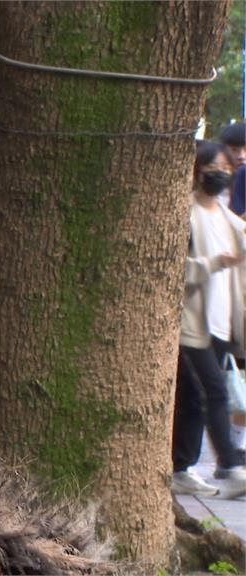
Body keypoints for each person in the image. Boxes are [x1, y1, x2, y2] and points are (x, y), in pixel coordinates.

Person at [171, 140, 246, 498]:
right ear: (198, 170)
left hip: (219, 324)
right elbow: (177, 271)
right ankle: (231, 467)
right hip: (191, 324)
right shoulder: (186, 215)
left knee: (192, 398)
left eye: (228, 169)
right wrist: (216, 262)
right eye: (215, 166)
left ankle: (179, 467)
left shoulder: (229, 220)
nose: (222, 173)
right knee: (214, 391)